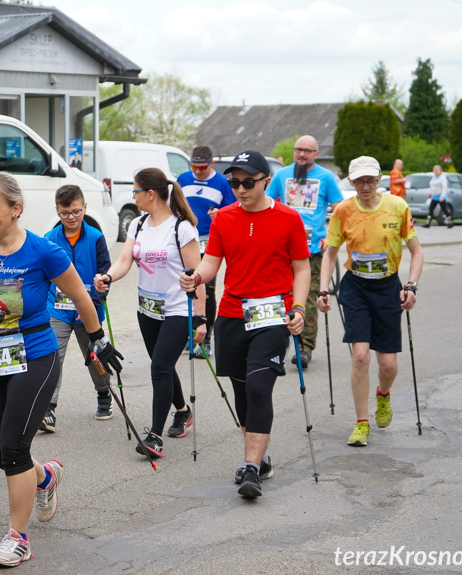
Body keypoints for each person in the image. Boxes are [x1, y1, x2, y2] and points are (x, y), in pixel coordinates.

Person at [0, 172, 123, 567]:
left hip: (35, 356)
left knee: (14, 448)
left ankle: (18, 537)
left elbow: (80, 295)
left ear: (16, 209)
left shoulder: (43, 251)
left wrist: (98, 339)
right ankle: (45, 477)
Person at [180, 150, 310, 499]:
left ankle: (250, 467)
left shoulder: (289, 218)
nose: (240, 188)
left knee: (257, 387)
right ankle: (261, 457)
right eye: (234, 182)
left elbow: (302, 268)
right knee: (241, 391)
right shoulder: (224, 218)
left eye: (248, 182)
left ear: (266, 181)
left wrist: (298, 308)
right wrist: (196, 277)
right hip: (233, 316)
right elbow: (211, 263)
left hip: (273, 315)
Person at [94, 168, 206, 459]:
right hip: (147, 309)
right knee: (163, 364)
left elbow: (198, 275)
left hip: (178, 309)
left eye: (135, 191)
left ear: (150, 194)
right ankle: (182, 411)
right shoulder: (139, 224)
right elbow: (124, 260)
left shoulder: (182, 228)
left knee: (159, 368)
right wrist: (107, 277)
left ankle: (154, 436)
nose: (133, 196)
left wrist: (202, 317)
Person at [318, 156, 423, 447]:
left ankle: (383, 395)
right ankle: (361, 423)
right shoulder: (343, 210)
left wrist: (412, 286)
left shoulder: (397, 207)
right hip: (356, 288)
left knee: (387, 365)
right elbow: (330, 253)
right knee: (361, 356)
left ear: (379, 180)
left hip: (389, 287)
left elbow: (416, 251)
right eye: (359, 181)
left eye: (370, 180)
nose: (365, 186)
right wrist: (323, 289)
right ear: (351, 182)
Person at [266, 135, 342, 368]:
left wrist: (332, 237)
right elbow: (266, 202)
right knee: (279, 297)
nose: (302, 154)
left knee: (308, 301)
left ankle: (304, 347)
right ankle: (276, 345)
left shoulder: (326, 177)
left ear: (316, 155)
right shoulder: (281, 175)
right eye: (299, 149)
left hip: (312, 251)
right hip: (282, 250)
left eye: (307, 151)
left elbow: (339, 209)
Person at [41, 184, 112, 432]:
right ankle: (48, 407)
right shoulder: (49, 239)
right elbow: (42, 276)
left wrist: (95, 301)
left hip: (88, 309)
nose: (71, 218)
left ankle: (104, 394)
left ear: (85, 208)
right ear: (57, 211)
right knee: (52, 355)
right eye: (64, 213)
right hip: (57, 310)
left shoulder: (95, 237)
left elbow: (105, 275)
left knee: (93, 355)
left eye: (76, 211)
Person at [176, 145, 237, 359]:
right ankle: (187, 335)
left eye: (202, 167)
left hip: (209, 242)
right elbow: (173, 205)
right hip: (185, 241)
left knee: (206, 291)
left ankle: (206, 338)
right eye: (194, 166)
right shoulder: (183, 178)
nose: (198, 171)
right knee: (185, 288)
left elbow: (233, 210)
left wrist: (219, 214)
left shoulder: (222, 182)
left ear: (212, 163)